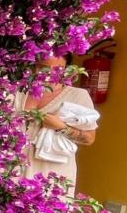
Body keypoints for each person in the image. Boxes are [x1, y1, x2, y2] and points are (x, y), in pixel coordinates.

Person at [15, 54, 99, 194]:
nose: (51, 74)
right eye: (43, 68)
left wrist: (61, 127)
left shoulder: (77, 96)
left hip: (50, 172)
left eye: (58, 68)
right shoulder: (18, 92)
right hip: (13, 169)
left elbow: (89, 138)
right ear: (33, 66)